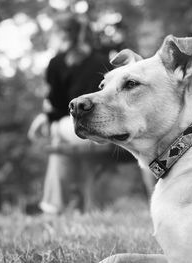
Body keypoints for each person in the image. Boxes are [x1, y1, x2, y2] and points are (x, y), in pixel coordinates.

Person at [28, 15, 112, 214]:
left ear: (60, 34)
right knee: (65, 141)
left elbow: (57, 106)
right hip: (111, 131)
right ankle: (85, 206)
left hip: (89, 133)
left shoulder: (57, 63)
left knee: (57, 131)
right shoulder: (102, 60)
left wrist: (46, 118)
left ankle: (54, 205)